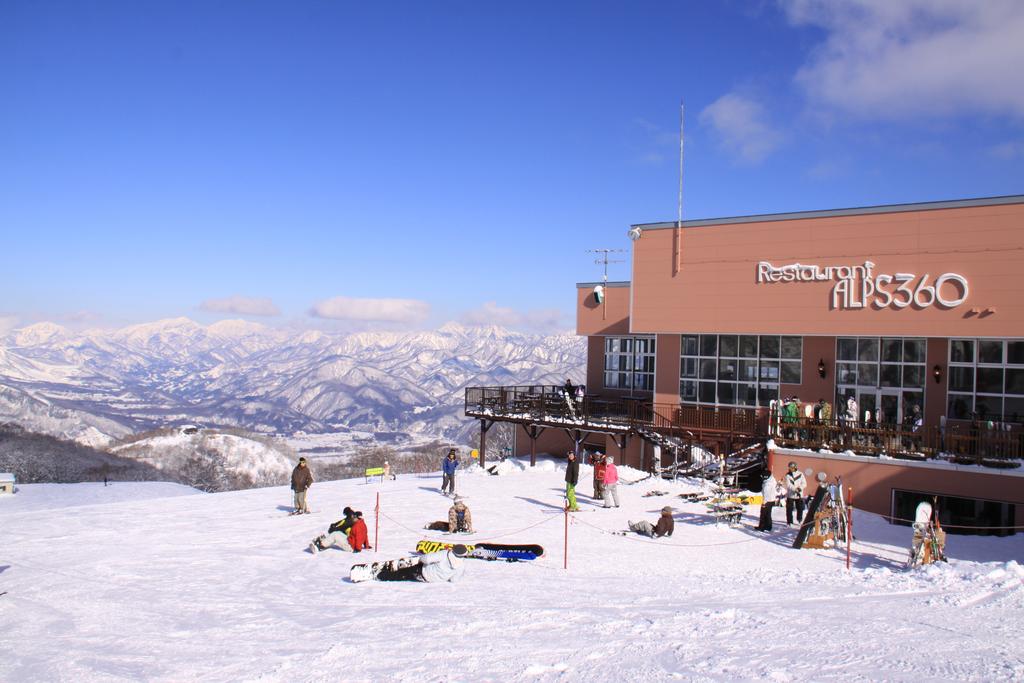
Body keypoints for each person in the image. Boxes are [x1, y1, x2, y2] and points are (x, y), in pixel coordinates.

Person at [368, 545, 468, 583]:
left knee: (402, 573)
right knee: (406, 576)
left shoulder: (444, 554)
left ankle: (380, 575)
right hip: (433, 580)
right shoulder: (462, 565)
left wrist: (420, 559)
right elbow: (454, 580)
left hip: (423, 571)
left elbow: (427, 559)